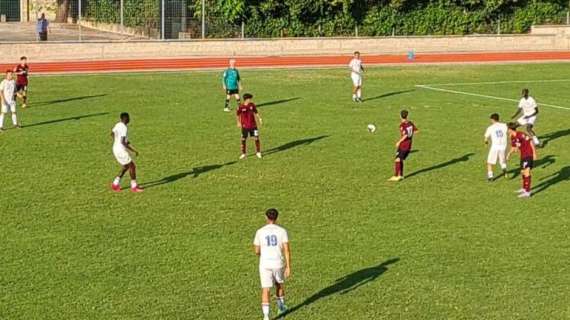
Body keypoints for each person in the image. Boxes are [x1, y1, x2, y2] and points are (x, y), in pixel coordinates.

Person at [253, 208, 291, 320]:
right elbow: (287, 250)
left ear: (266, 217)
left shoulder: (260, 231)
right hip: (278, 263)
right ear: (277, 218)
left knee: (266, 289)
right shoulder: (282, 231)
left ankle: (266, 316)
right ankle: (281, 307)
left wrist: (262, 253)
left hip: (265, 264)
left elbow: (256, 250)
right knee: (279, 284)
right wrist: (288, 266)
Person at [111, 113, 143, 193]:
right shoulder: (124, 127)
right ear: (125, 118)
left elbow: (112, 134)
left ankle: (115, 184)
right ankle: (134, 186)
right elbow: (122, 142)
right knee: (132, 166)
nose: (129, 119)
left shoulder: (118, 124)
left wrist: (117, 141)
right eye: (128, 118)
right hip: (120, 150)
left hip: (115, 148)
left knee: (126, 166)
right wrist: (133, 150)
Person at [507, 122, 537, 198]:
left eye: (508, 129)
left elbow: (530, 142)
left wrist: (534, 153)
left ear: (510, 129)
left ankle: (528, 192)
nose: (507, 131)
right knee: (522, 172)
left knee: (527, 172)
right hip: (523, 155)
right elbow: (514, 148)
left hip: (528, 154)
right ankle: (524, 188)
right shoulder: (512, 137)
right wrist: (509, 154)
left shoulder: (521, 134)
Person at [388, 110, 418, 182]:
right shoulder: (410, 123)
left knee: (397, 159)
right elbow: (416, 131)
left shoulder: (403, 125)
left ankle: (396, 176)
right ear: (407, 115)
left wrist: (399, 141)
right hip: (408, 145)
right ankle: (400, 175)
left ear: (400, 116)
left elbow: (405, 135)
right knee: (400, 159)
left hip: (404, 145)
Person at [237, 93, 262, 159]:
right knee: (243, 139)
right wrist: (238, 122)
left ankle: (258, 152)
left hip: (253, 126)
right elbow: (238, 114)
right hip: (245, 126)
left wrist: (259, 118)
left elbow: (256, 112)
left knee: (256, 138)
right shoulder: (241, 106)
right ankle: (243, 153)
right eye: (249, 99)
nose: (250, 100)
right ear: (246, 99)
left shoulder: (252, 105)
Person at [484, 113, 508, 181]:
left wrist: (486, 143)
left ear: (492, 119)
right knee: (502, 161)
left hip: (495, 146)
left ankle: (490, 176)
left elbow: (486, 138)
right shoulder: (504, 125)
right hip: (503, 146)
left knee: (489, 162)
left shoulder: (490, 128)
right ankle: (504, 168)